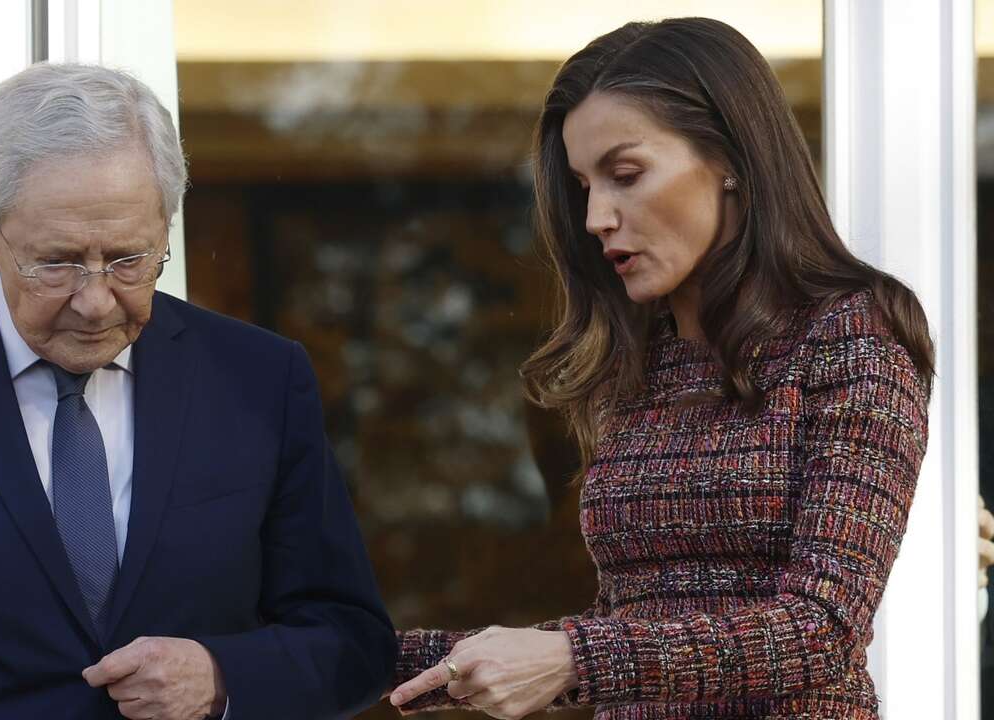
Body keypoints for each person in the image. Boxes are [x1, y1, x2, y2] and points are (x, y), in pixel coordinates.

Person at [0, 63, 396, 719]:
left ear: (167, 225)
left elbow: (354, 642)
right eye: (59, 262)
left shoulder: (260, 381)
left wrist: (222, 676)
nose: (97, 301)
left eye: (130, 259)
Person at [390, 17, 933, 720]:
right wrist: (346, 655)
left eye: (625, 175)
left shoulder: (851, 333)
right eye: (584, 185)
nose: (596, 217)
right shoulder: (644, 359)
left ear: (731, 157)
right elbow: (638, 623)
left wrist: (572, 658)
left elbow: (822, 628)